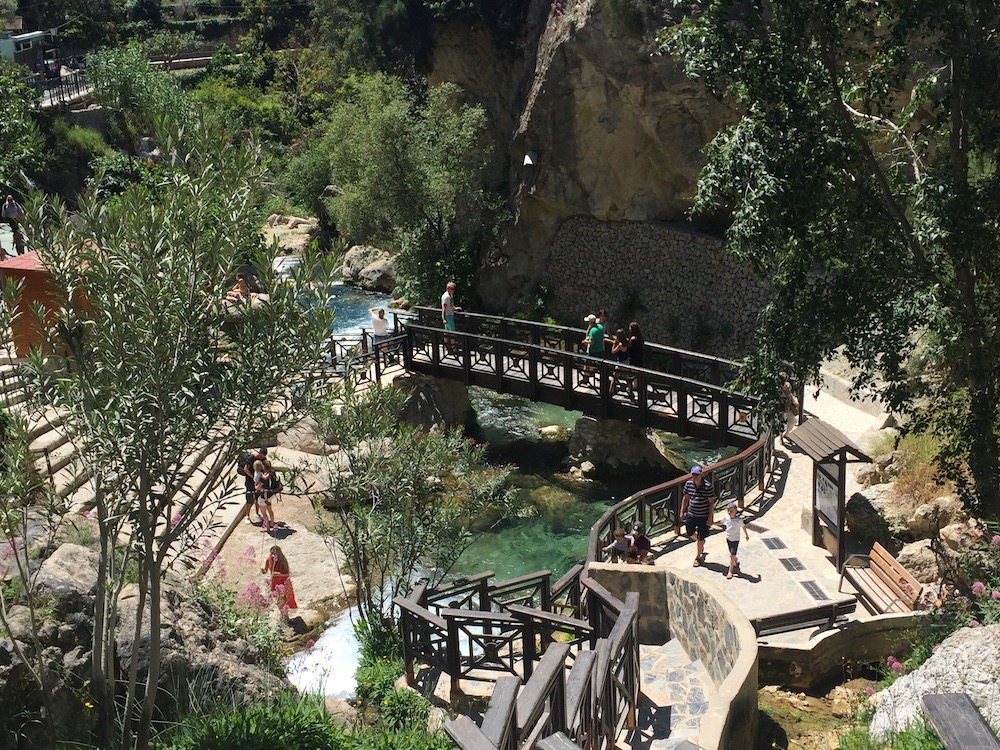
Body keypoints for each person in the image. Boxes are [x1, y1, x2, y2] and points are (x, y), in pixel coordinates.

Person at [680, 465, 715, 567]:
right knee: (689, 532)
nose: (695, 476)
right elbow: (685, 498)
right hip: (691, 513)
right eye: (693, 474)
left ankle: (698, 557)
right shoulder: (688, 484)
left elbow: (711, 502)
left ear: (701, 474)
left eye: (697, 474)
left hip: (703, 516)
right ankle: (701, 542)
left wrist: (710, 517)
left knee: (700, 537)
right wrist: (682, 511)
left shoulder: (708, 486)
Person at [715, 502, 750, 579]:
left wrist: (746, 535)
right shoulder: (726, 517)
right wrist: (713, 523)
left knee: (731, 555)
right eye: (728, 510)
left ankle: (730, 571)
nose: (729, 512)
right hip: (728, 538)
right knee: (731, 552)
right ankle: (735, 560)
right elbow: (721, 522)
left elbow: (743, 527)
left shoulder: (739, 520)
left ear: (735, 511)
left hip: (735, 539)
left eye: (731, 510)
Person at [261, 545, 298, 615]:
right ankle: (283, 615)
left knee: (287, 599)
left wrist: (279, 574)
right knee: (279, 600)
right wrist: (263, 571)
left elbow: (287, 574)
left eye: (274, 554)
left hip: (283, 581)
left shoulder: (283, 561)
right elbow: (265, 571)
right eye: (271, 553)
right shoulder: (268, 560)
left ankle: (287, 615)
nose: (272, 555)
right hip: (275, 582)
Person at [239, 447, 266, 525]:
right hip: (250, 482)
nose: (261, 458)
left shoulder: (263, 459)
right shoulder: (251, 458)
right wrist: (253, 478)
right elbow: (246, 469)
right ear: (259, 453)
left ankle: (257, 513)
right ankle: (247, 516)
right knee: (249, 499)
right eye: (261, 456)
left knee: (258, 498)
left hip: (258, 482)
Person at [608, 328, 630, 395]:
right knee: (626, 377)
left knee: (614, 377)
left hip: (621, 363)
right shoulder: (627, 342)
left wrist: (614, 344)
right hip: (627, 361)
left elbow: (613, 351)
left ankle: (610, 391)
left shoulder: (620, 345)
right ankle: (630, 390)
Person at [780, 373, 799, 444]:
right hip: (781, 407)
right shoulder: (777, 389)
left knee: (793, 421)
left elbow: (791, 394)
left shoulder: (788, 386)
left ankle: (786, 434)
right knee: (781, 423)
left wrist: (794, 400)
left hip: (789, 406)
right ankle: (781, 437)